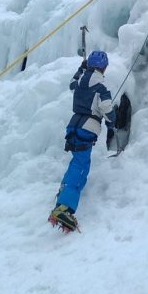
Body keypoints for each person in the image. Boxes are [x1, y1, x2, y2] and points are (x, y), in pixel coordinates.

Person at [48, 49, 117, 232]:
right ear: (103, 67)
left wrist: (80, 68)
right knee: (80, 166)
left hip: (74, 125)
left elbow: (71, 83)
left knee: (76, 162)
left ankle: (62, 197)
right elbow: (106, 109)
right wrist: (112, 124)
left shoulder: (79, 81)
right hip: (88, 127)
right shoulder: (101, 87)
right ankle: (64, 208)